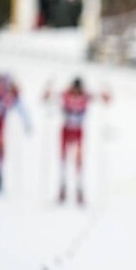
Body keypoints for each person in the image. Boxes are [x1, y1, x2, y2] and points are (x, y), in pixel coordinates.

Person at [44, 77, 109, 205]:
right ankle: (62, 188)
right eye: (74, 89)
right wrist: (48, 91)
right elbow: (49, 97)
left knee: (78, 160)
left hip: (78, 132)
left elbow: (104, 99)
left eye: (78, 89)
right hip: (66, 131)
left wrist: (105, 92)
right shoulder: (66, 94)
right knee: (63, 159)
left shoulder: (85, 96)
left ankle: (79, 189)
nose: (76, 91)